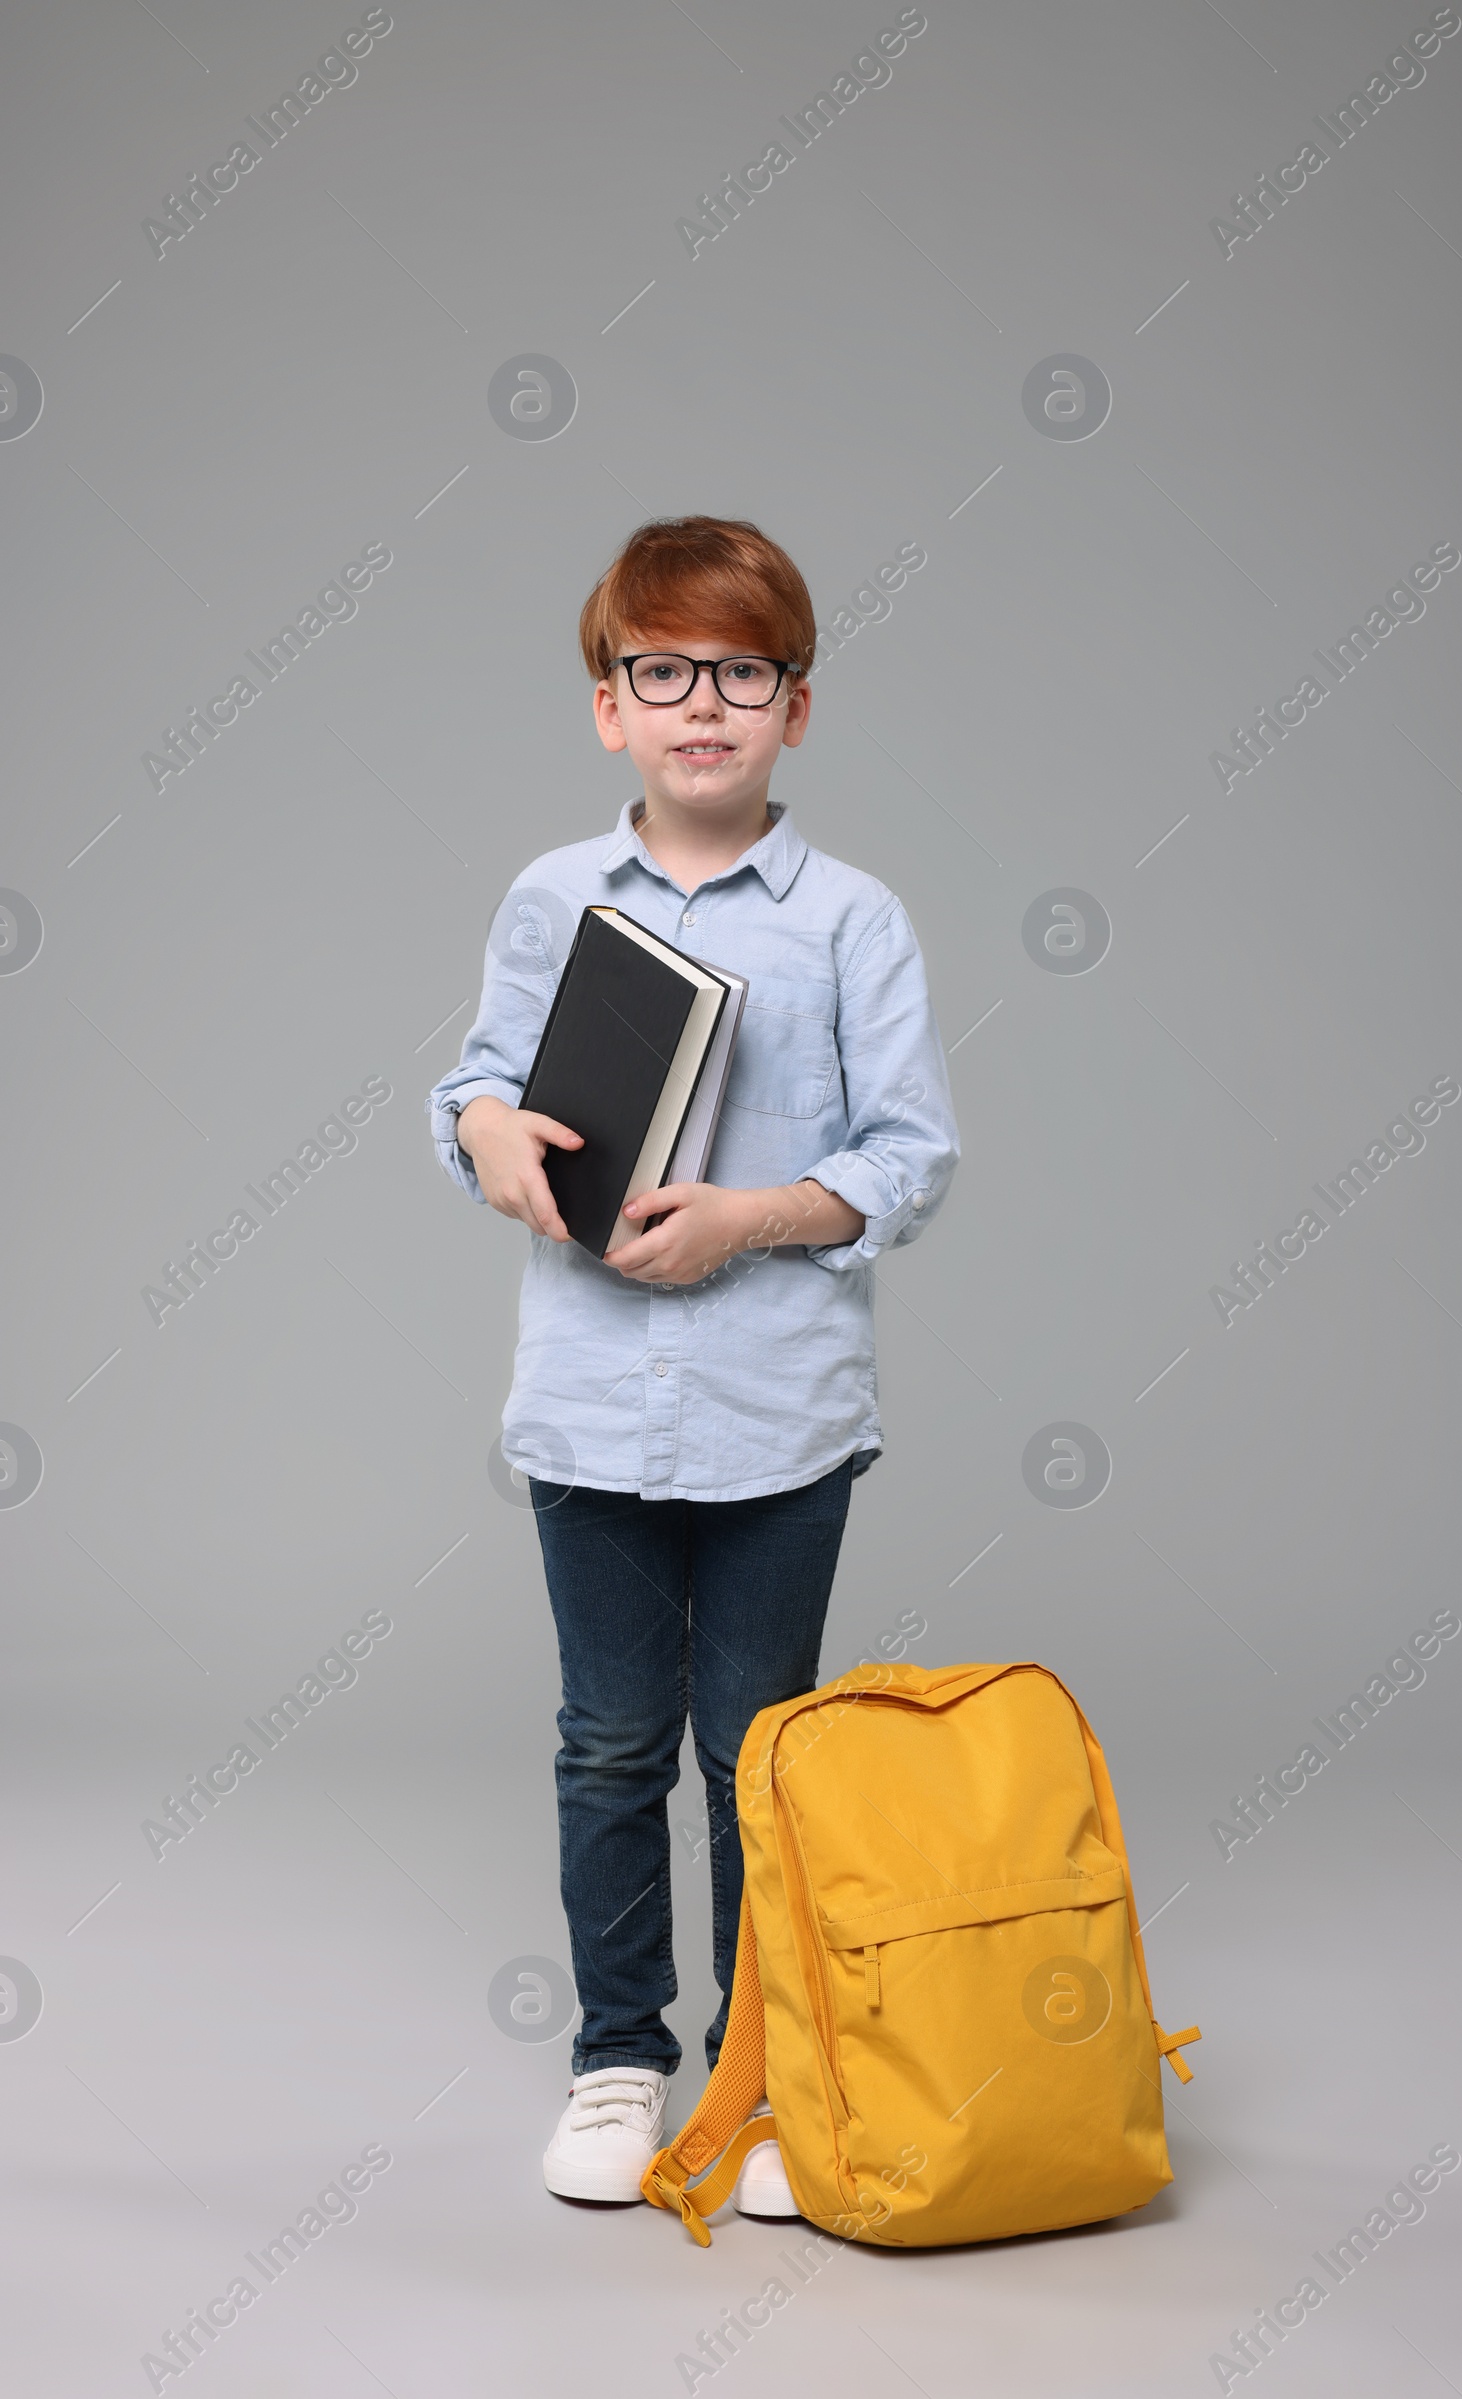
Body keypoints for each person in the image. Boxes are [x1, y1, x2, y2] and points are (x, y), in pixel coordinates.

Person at [427, 515, 959, 2215]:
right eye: (664, 673)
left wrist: (747, 1218)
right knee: (607, 1745)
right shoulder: (550, 894)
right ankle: (618, 2060)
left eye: (742, 673)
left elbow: (912, 1153)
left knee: (759, 1754)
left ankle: (770, 2069)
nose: (703, 705)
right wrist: (493, 1139)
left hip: (781, 1417)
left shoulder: (855, 919)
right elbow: (478, 1088)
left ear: (796, 709)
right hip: (587, 1409)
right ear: (611, 708)